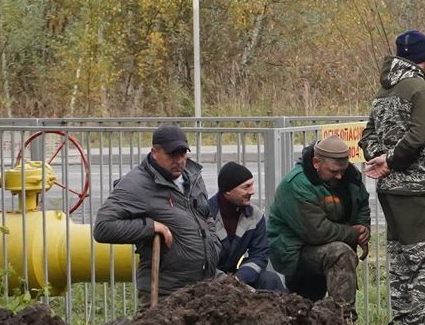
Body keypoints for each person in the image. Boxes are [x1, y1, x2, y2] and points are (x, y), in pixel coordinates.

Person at [361, 30, 425, 325]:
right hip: (417, 186)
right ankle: (423, 324)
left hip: (389, 190)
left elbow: (367, 135)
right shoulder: (420, 89)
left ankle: (401, 318)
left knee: (399, 254)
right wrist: (390, 162)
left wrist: (378, 158)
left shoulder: (383, 92)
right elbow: (419, 135)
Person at [94, 123, 219, 304]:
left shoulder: (192, 177)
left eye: (182, 154)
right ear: (154, 152)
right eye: (172, 154)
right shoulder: (136, 184)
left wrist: (212, 240)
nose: (179, 160)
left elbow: (205, 213)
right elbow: (103, 227)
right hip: (165, 292)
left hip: (205, 285)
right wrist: (150, 227)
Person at [267, 135, 371, 307]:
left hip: (328, 243)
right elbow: (317, 231)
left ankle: (342, 324)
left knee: (339, 252)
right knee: (340, 253)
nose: (339, 176)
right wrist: (354, 233)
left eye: (342, 171)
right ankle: (341, 318)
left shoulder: (349, 175)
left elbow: (361, 203)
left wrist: (363, 227)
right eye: (333, 172)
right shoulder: (296, 184)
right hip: (295, 249)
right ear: (316, 163)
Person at [209, 162, 285, 291]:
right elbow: (198, 261)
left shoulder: (255, 215)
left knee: (270, 280)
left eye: (252, 185)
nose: (252, 191)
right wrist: (224, 281)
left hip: (236, 277)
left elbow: (259, 254)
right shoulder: (204, 215)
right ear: (227, 191)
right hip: (207, 278)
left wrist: (239, 278)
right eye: (246, 187)